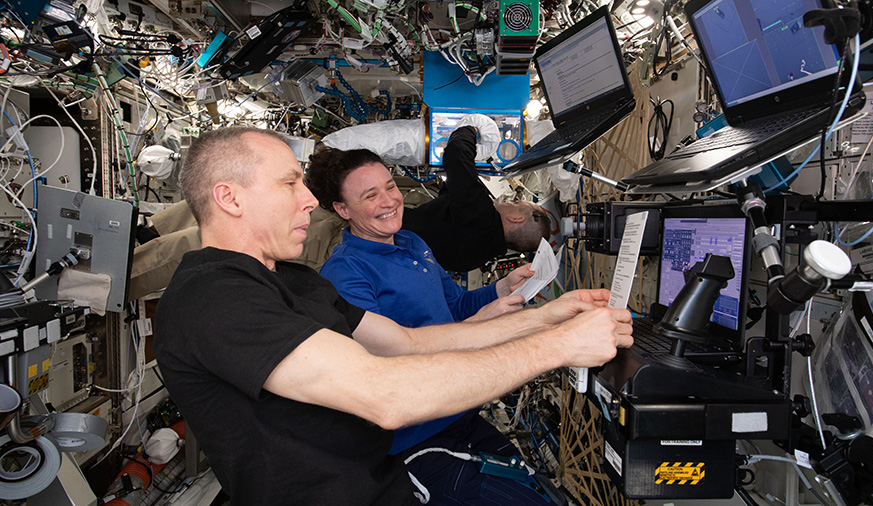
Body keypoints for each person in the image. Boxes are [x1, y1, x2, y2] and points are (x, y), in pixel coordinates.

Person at [152, 126, 633, 505]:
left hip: (381, 484)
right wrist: (560, 347)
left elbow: (407, 343)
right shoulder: (215, 297)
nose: (309, 199)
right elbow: (387, 395)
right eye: (289, 183)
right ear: (229, 198)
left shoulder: (296, 282)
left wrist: (550, 317)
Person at [307, 146, 564, 505]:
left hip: (460, 411)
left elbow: (455, 304)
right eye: (370, 195)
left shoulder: (412, 243)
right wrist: (478, 328)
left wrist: (502, 288)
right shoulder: (345, 274)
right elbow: (382, 367)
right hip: (415, 439)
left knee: (544, 493)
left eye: (389, 186)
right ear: (342, 210)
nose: (389, 201)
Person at [403, 124, 552, 272]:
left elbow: (456, 153)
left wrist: (470, 129)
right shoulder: (476, 258)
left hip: (388, 229)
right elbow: (452, 204)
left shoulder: (481, 215)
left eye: (515, 202)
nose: (507, 201)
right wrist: (465, 175)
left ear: (516, 218)